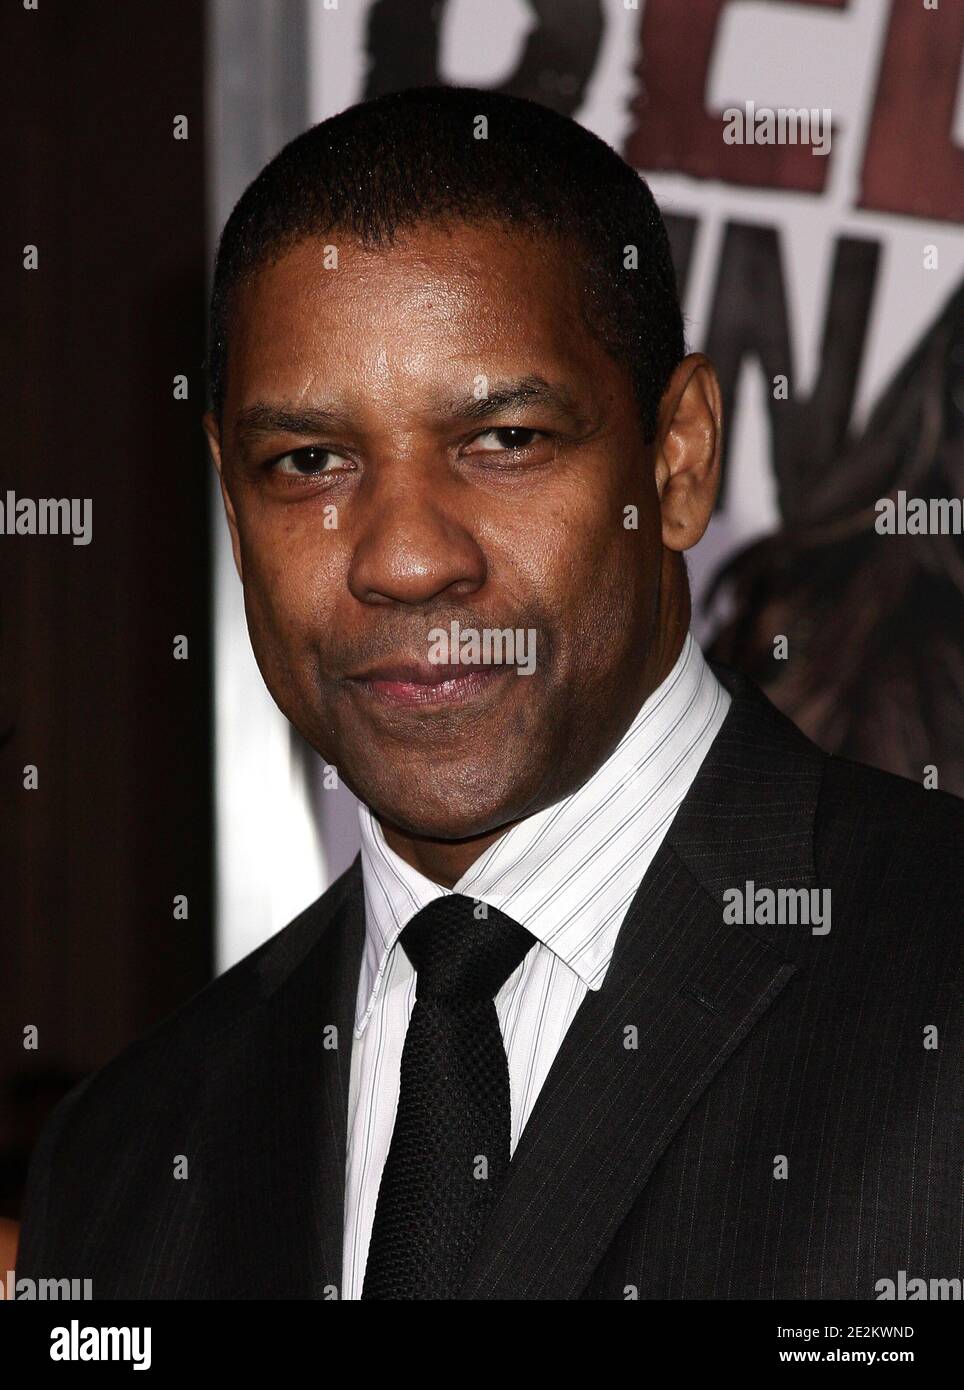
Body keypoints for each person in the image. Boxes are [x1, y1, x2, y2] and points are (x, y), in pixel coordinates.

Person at [16, 87, 962, 1301]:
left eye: (503, 439)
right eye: (308, 461)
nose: (405, 556)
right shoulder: (124, 1166)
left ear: (676, 459)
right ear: (230, 499)